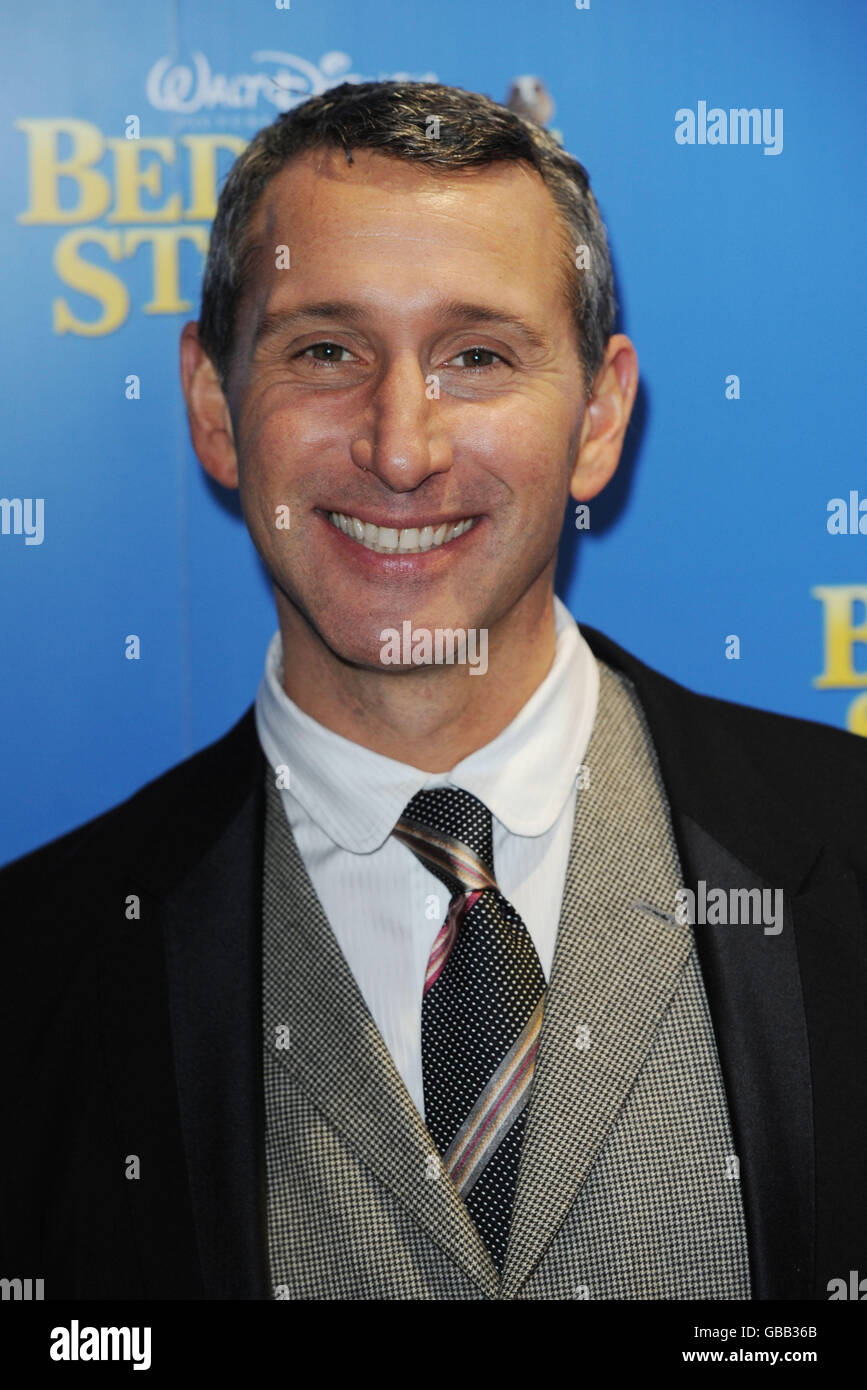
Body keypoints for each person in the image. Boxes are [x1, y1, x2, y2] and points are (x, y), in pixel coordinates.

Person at [2, 80, 865, 1302]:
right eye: (325, 351)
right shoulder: (37, 972)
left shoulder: (845, 845)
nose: (401, 447)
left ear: (600, 418)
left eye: (476, 355)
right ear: (212, 408)